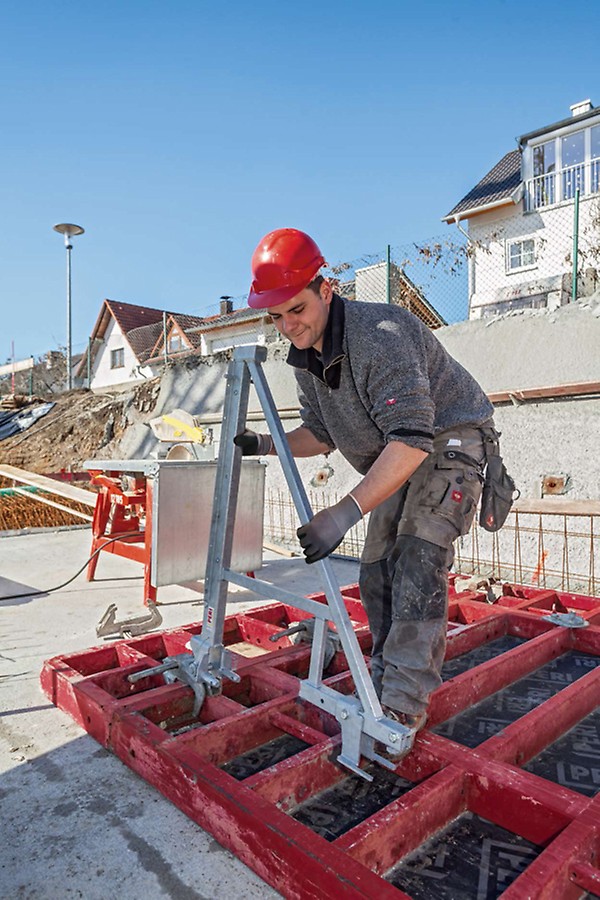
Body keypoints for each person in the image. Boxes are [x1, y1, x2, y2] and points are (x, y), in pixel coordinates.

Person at [235, 227, 498, 752]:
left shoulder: (381, 333)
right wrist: (265, 442)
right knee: (378, 565)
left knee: (419, 557)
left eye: (297, 309)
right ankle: (382, 674)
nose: (289, 325)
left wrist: (343, 511)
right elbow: (322, 433)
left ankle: (402, 703)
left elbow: (414, 438)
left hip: (448, 441)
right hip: (396, 453)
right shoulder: (306, 356)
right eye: (278, 316)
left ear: (325, 288)